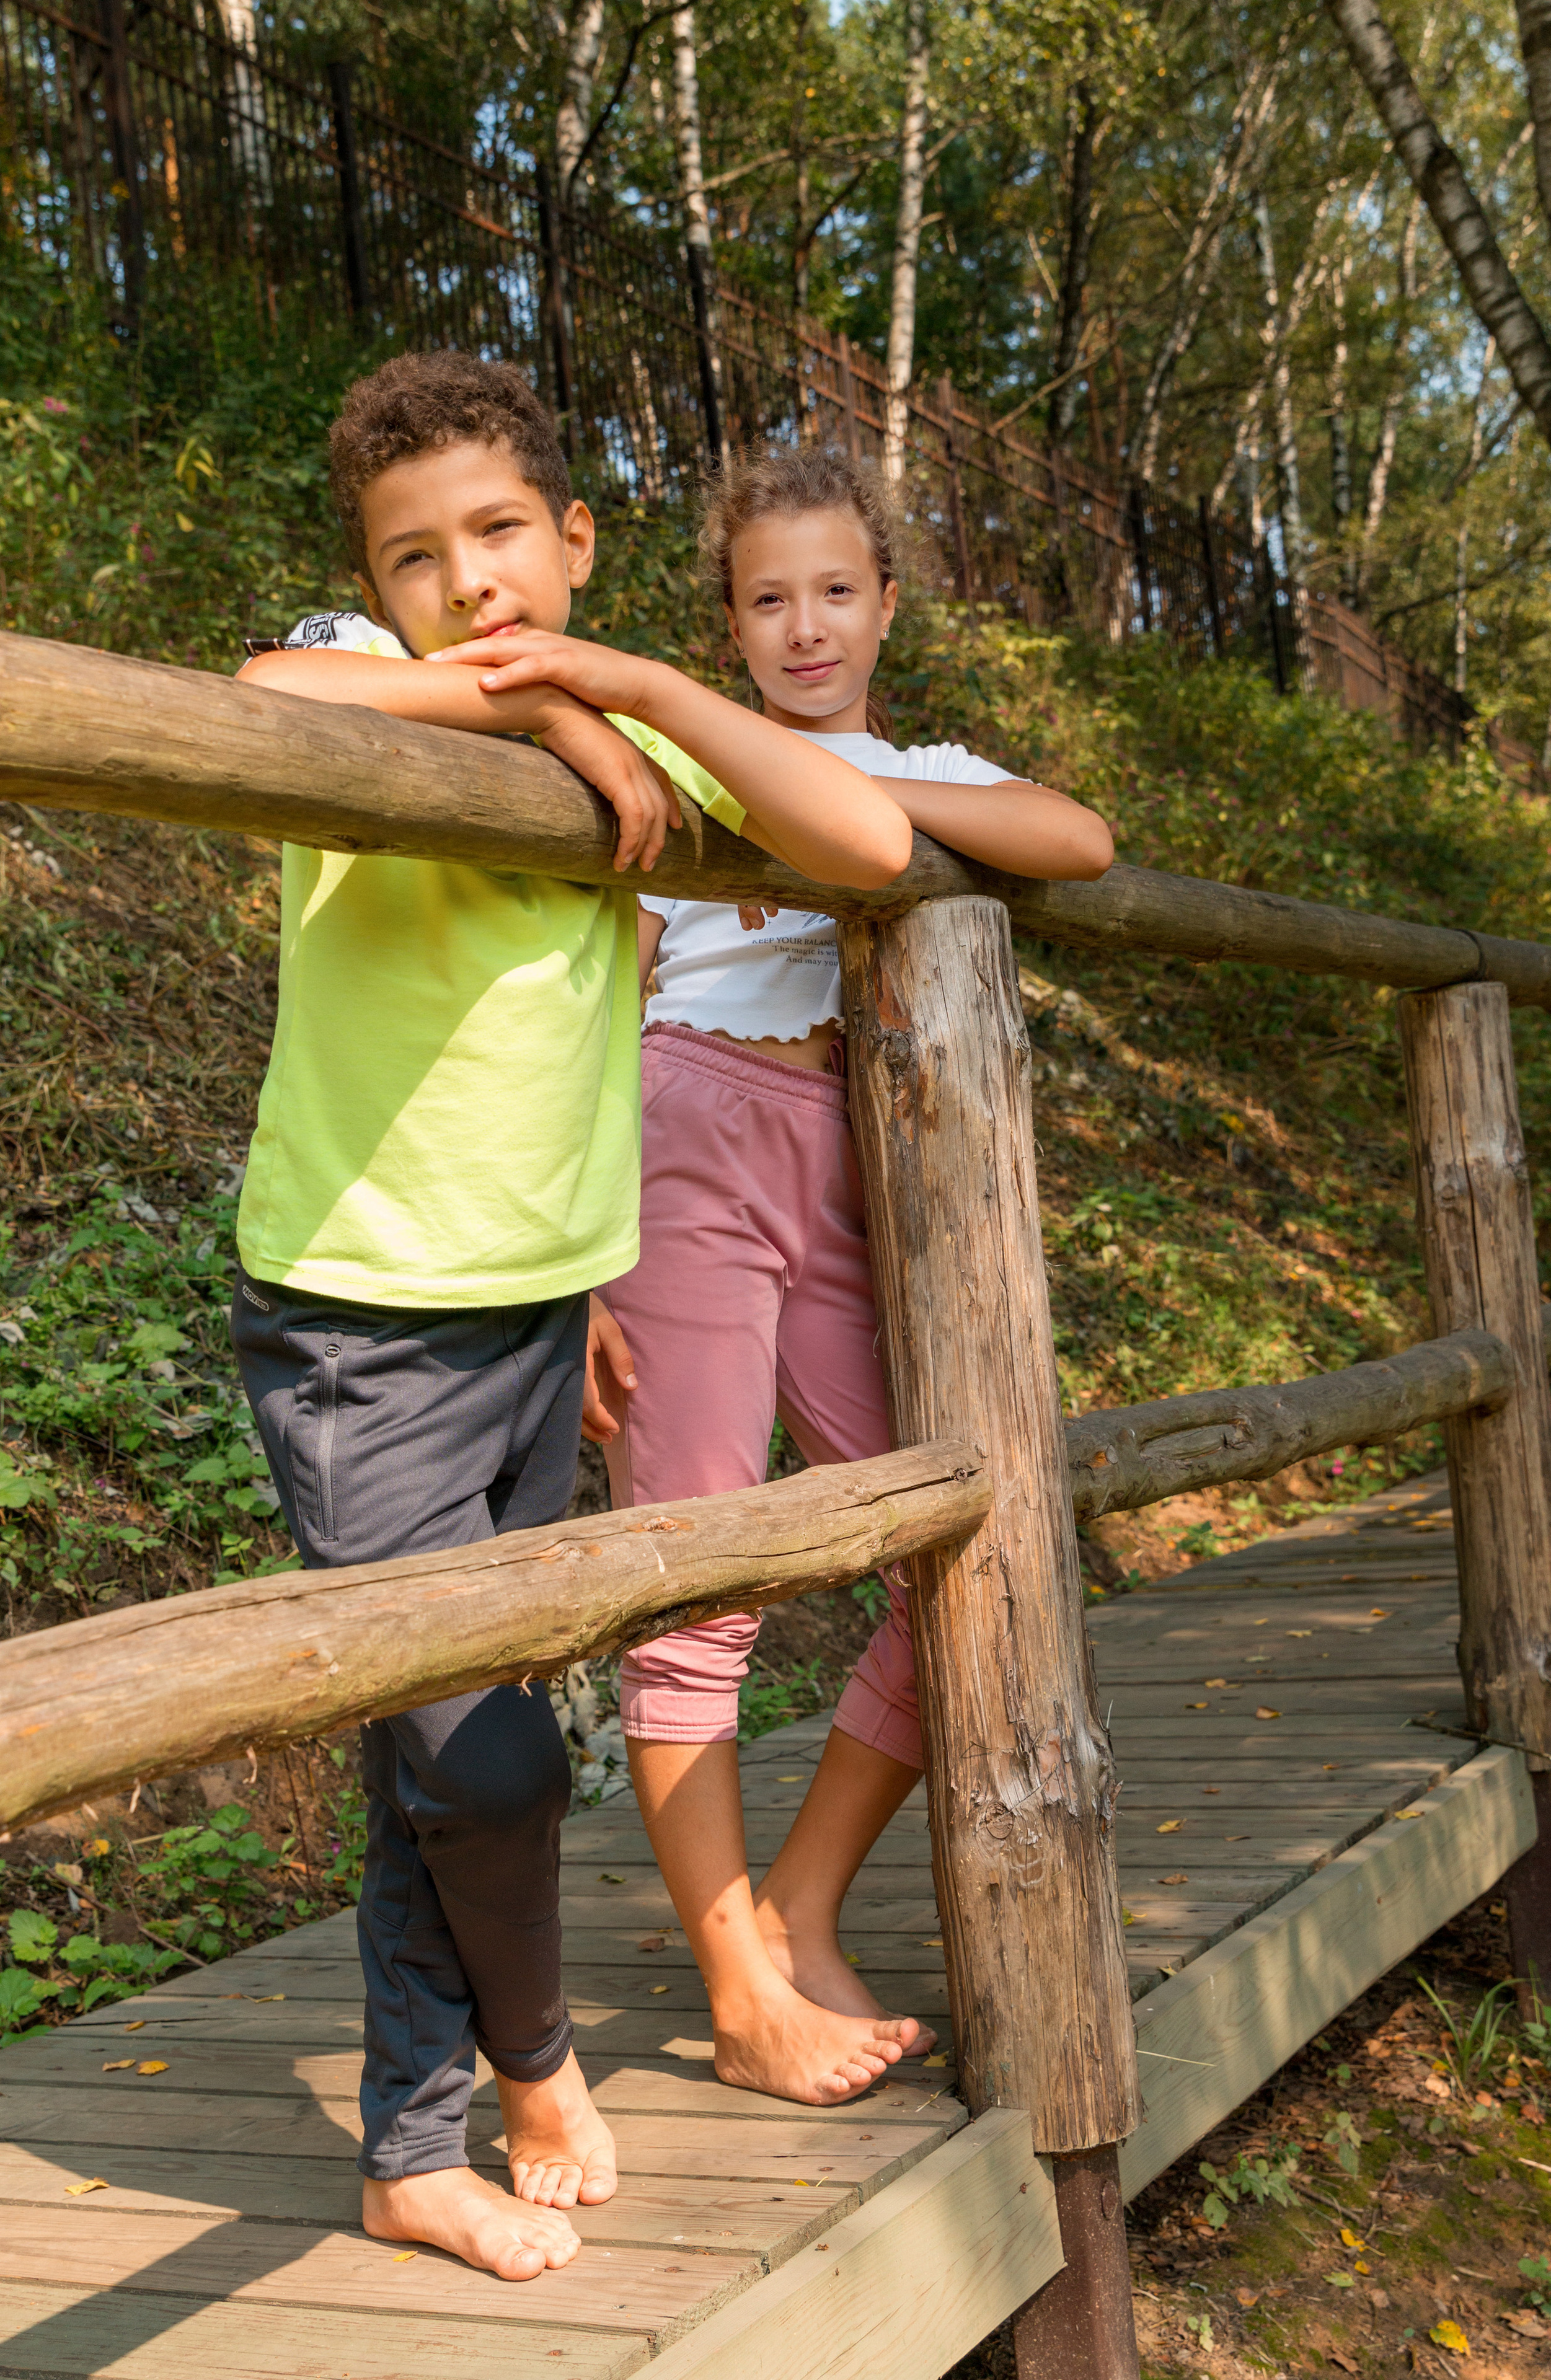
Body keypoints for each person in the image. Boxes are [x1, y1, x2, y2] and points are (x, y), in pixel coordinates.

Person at [231, 359, 914, 2283]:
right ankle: (529, 2067)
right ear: (374, 580)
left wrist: (627, 692)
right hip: (360, 1310)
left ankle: (404, 2139)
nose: (463, 578)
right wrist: (516, 690)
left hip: (538, 1317)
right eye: (417, 557)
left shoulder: (618, 719)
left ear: (580, 539)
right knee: (486, 1752)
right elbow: (261, 705)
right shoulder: (353, 666)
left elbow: (862, 849)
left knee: (447, 1745)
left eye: (503, 539)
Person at [577, 443, 1115, 2110]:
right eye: (764, 598)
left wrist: (878, 798)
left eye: (832, 591)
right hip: (688, 1141)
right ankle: (738, 1988)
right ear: (727, 625)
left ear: (885, 601)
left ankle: (797, 1905)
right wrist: (588, 1249)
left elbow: (1073, 837)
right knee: (704, 1563)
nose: (802, 627)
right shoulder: (678, 761)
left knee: (958, 1540)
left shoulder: (915, 760)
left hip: (856, 1166)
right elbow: (610, 993)